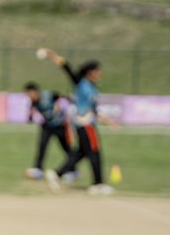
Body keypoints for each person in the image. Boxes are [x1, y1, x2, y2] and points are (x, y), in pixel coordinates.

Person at [41, 49, 117, 195]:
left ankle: (57, 173)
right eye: (97, 71)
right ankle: (98, 184)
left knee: (81, 152)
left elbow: (93, 108)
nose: (99, 74)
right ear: (91, 72)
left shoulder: (91, 87)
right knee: (94, 152)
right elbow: (65, 66)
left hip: (85, 123)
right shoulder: (81, 83)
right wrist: (51, 54)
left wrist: (108, 120)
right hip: (85, 124)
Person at [22, 81, 69, 179]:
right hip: (47, 125)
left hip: (59, 124)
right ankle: (38, 169)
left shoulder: (47, 95)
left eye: (29, 94)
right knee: (42, 146)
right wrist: (30, 117)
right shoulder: (33, 102)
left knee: (66, 147)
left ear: (35, 91)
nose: (29, 96)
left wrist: (57, 104)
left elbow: (59, 95)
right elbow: (31, 115)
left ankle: (71, 168)